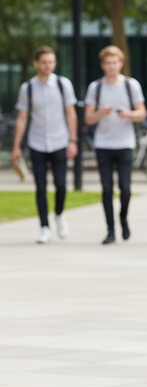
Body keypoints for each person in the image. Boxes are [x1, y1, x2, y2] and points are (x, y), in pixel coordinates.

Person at [11, 46, 78, 244]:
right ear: (36, 64)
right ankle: (44, 226)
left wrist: (73, 140)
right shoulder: (27, 88)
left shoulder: (63, 84)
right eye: (44, 62)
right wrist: (16, 146)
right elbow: (22, 118)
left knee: (60, 184)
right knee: (40, 187)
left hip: (59, 140)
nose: (48, 65)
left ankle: (58, 214)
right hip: (37, 142)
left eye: (51, 62)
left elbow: (71, 113)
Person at [84, 46, 146, 244]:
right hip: (103, 144)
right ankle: (110, 230)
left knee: (125, 188)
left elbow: (141, 113)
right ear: (103, 65)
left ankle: (123, 219)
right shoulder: (96, 87)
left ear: (121, 63)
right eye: (107, 63)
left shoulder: (131, 85)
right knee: (106, 189)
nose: (111, 66)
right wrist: (99, 113)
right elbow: (88, 118)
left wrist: (127, 114)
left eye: (114, 62)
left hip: (125, 143)